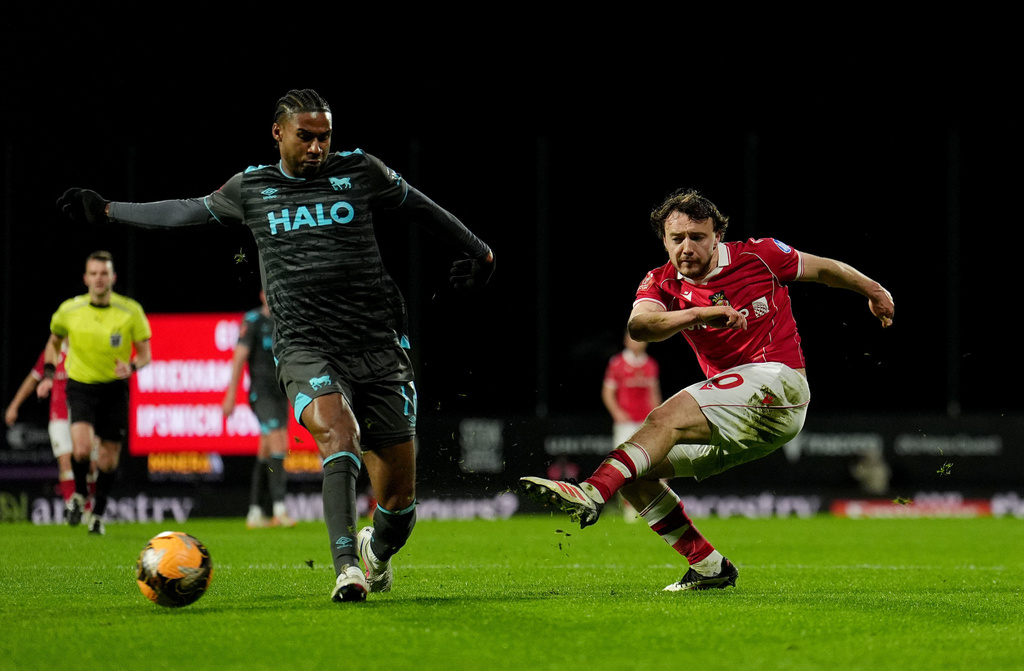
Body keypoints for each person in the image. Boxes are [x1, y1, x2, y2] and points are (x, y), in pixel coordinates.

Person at [56, 89, 494, 603]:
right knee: (338, 434)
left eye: (324, 137)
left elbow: (425, 209)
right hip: (306, 344)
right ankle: (346, 567)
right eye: (305, 137)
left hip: (378, 344)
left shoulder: (361, 172)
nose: (316, 147)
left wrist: (482, 254)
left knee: (398, 506)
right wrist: (108, 210)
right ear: (278, 133)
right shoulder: (252, 188)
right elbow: (184, 212)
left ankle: (377, 549)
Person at [521, 188, 893, 592]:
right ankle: (709, 566)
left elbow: (822, 269)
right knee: (636, 472)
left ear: (717, 235)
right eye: (676, 238)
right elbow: (639, 327)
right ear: (664, 240)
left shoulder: (759, 255)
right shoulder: (660, 282)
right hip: (737, 415)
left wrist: (873, 289)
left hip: (779, 383)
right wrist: (699, 314)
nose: (687, 247)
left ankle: (591, 492)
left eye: (697, 236)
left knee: (664, 417)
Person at [44, 250, 152, 535]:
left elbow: (145, 354)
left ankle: (98, 516)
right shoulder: (69, 310)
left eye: (104, 273)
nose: (99, 279)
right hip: (80, 387)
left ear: (113, 277)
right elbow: (53, 343)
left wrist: (131, 367)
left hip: (114, 389)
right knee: (80, 450)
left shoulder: (131, 311)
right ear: (85, 278)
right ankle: (80, 494)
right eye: (93, 273)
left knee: (107, 459)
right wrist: (48, 371)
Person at [223, 290, 297, 529]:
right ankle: (279, 509)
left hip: (280, 393)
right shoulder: (253, 321)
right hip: (261, 392)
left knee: (266, 450)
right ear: (262, 295)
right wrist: (231, 394)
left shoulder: (286, 320)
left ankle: (254, 512)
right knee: (279, 444)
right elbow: (239, 357)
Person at [4, 340, 96, 518]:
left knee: (90, 465)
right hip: (59, 415)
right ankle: (73, 509)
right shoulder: (52, 353)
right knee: (65, 460)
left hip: (83, 414)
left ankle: (88, 507)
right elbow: (32, 379)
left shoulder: (86, 350)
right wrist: (14, 406)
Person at [601, 331, 661, 521]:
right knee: (624, 467)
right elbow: (607, 392)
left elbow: (653, 393)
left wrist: (659, 417)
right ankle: (629, 509)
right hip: (626, 423)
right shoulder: (617, 363)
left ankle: (656, 509)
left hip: (645, 422)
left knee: (653, 465)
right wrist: (617, 412)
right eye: (634, 338)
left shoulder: (650, 364)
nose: (637, 342)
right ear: (626, 340)